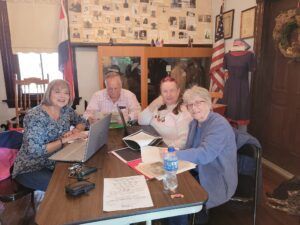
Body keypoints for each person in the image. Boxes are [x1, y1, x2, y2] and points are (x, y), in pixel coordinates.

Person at [170, 86, 237, 225]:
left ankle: (189, 218)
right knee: (169, 184)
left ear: (208, 103)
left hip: (216, 177)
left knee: (179, 196)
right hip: (198, 170)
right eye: (190, 105)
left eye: (198, 102)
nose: (194, 108)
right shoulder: (194, 123)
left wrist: (175, 154)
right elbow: (190, 148)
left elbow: (205, 154)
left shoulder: (219, 125)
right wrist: (173, 150)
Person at [12, 80, 88, 191]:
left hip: (56, 161)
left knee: (83, 178)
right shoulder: (34, 116)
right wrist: (64, 140)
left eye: (66, 93)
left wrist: (76, 130)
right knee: (64, 188)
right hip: (31, 168)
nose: (62, 96)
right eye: (57, 92)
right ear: (49, 94)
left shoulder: (66, 110)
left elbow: (82, 121)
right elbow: (35, 151)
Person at [138, 76, 192, 149]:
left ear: (178, 91)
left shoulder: (183, 111)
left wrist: (166, 150)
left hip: (169, 152)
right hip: (151, 146)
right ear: (161, 93)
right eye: (165, 91)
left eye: (172, 90)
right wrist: (153, 104)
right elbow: (141, 121)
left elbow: (184, 141)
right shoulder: (158, 106)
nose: (168, 94)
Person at [220, 39, 256, 131]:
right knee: (230, 109)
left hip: (241, 86)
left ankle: (238, 136)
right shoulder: (227, 56)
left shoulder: (249, 55)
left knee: (240, 108)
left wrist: (251, 54)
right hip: (232, 85)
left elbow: (252, 69)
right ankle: (229, 133)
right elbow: (225, 69)